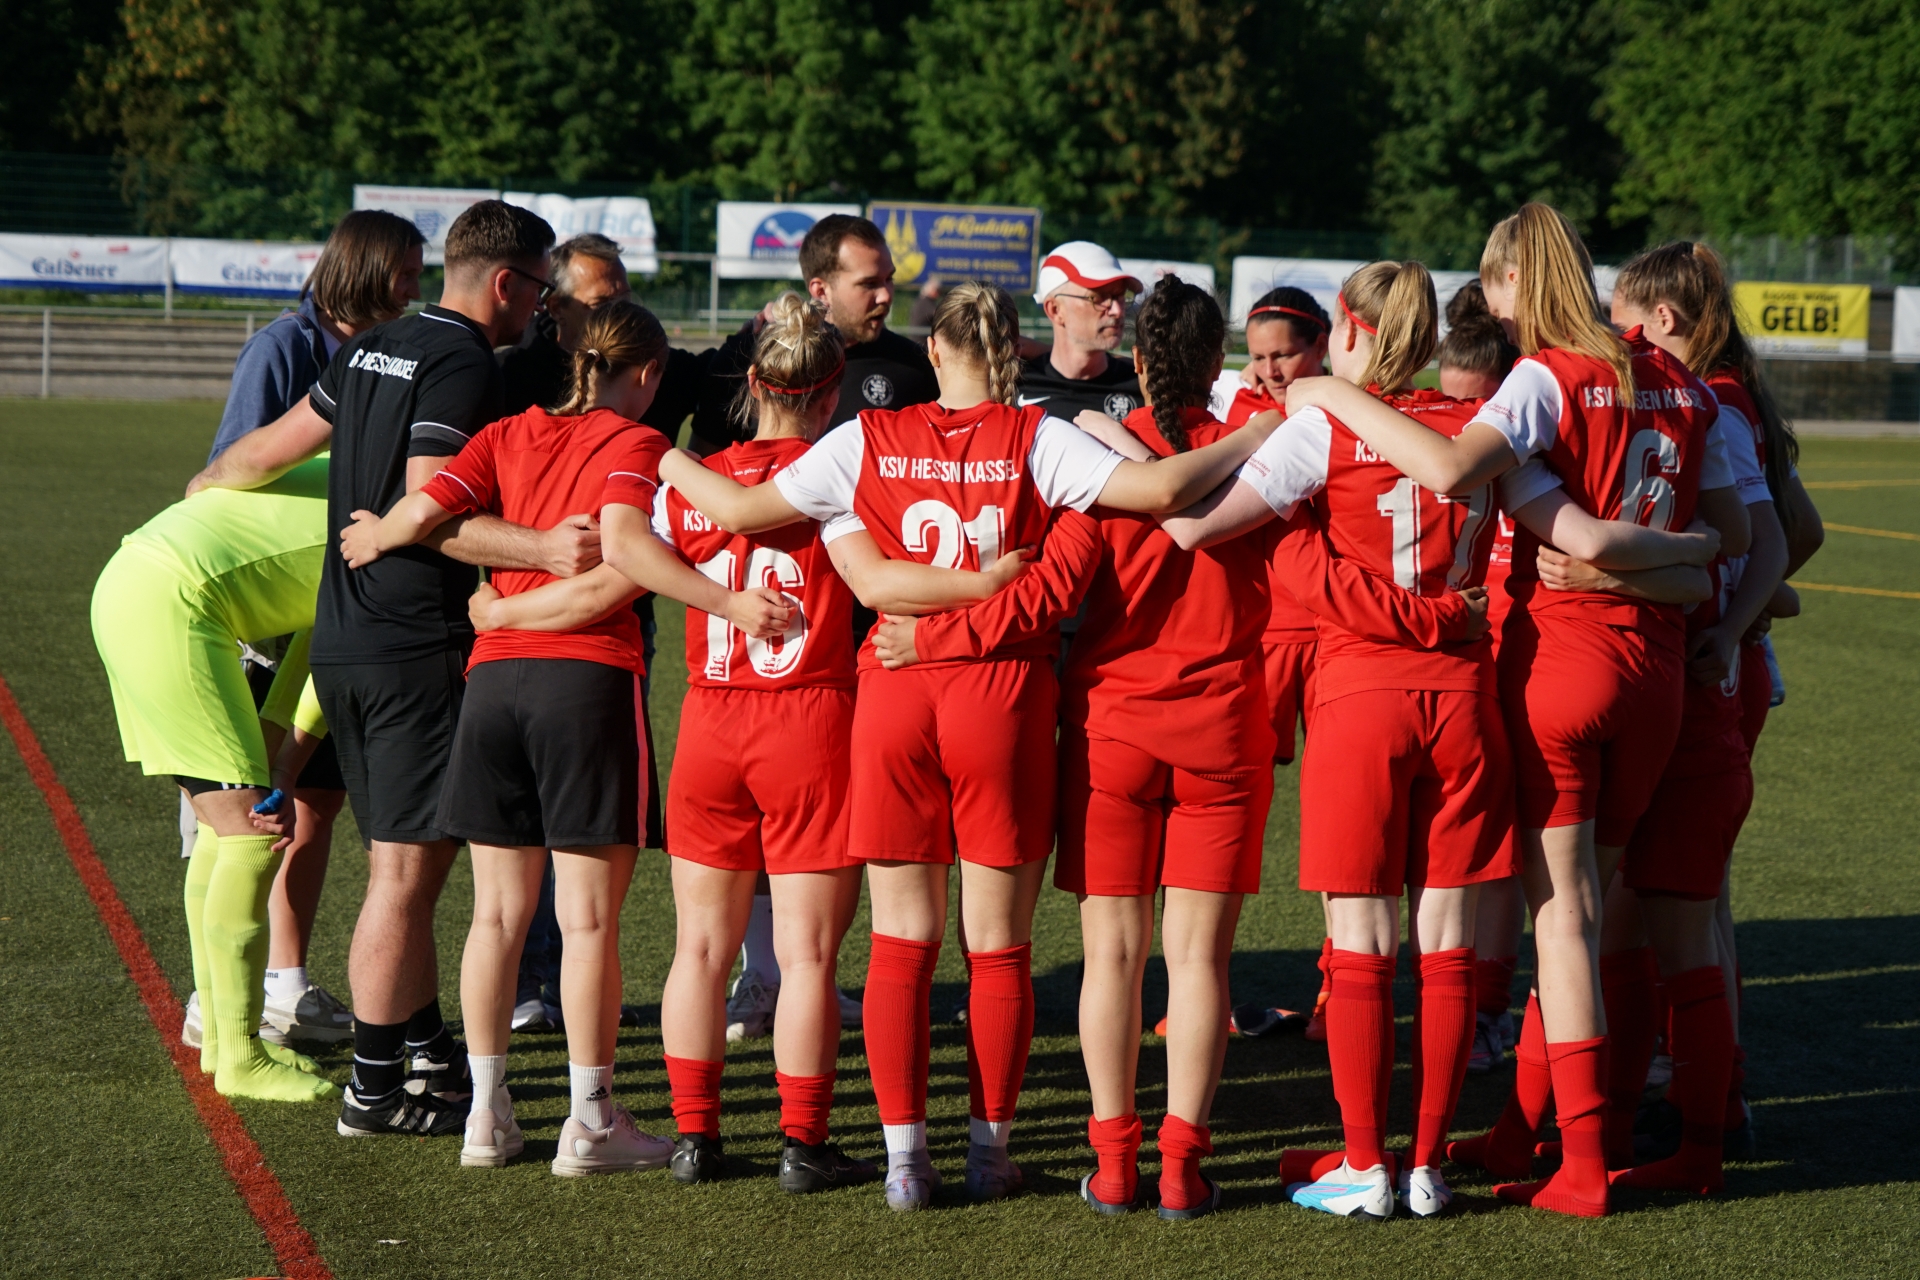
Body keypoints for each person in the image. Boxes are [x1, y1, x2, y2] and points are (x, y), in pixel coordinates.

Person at [655, 280, 1280, 1210]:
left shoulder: (864, 437)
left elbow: (749, 519)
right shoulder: (1039, 435)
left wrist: (661, 457)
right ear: (1011, 352)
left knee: (902, 943)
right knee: (998, 948)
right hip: (1003, 695)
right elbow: (1156, 493)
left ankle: (905, 1159)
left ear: (934, 353)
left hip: (896, 692)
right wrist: (1257, 432)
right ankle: (990, 1153)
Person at [1285, 204, 1749, 1218]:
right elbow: (1734, 535)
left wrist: (1327, 389)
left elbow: (1453, 468)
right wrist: (1676, 558)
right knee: (1610, 916)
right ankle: (1619, 1132)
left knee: (1565, 919)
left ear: (1511, 281)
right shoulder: (1677, 381)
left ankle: (1579, 1158)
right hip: (1660, 672)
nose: (1490, 311)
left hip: (1564, 662)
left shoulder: (1548, 374)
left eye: (1493, 290)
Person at [187, 199, 609, 1139]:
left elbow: (261, 453)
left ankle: (423, 1052)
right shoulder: (464, 362)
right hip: (414, 645)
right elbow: (429, 510)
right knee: (404, 877)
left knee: (397, 864)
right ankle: (375, 1091)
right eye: (542, 291)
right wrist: (546, 549)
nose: (543, 309)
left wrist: (201, 491)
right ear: (508, 283)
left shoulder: (370, 345)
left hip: (339, 644)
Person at [336, 299, 784, 1174]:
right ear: (648, 375)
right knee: (587, 923)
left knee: (495, 916)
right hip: (585, 684)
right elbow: (630, 547)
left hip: (492, 687)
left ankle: (485, 1115)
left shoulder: (506, 432)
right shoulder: (637, 442)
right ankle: (591, 1122)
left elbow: (422, 508)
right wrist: (728, 601)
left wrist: (378, 535)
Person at [1538, 242, 1789, 1197]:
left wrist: (1720, 617)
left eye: (1624, 320)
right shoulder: (1717, 395)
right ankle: (1699, 1111)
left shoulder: (1699, 398)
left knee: (1621, 919)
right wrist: (1742, 616)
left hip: (1679, 671)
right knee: (1684, 912)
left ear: (1664, 321)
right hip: (1699, 666)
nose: (1613, 335)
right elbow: (1777, 541)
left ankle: (1649, 1119)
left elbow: (1757, 540)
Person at [188, 209, 427, 1052]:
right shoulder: (281, 349)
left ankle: (283, 983)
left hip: (336, 609)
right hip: (270, 618)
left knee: (314, 802)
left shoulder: (390, 348)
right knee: (241, 811)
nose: (417, 287)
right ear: (364, 268)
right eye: (405, 272)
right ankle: (212, 995)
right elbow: (233, 473)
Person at [90, 458, 339, 1103]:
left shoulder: (358, 472)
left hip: (136, 584)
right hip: (173, 606)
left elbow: (316, 642)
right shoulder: (407, 524)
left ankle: (225, 1045)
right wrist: (285, 763)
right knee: (251, 836)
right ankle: (240, 1057)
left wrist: (278, 755)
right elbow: (338, 658)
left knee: (221, 828)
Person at [1436, 282, 1529, 1074]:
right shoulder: (1431, 455)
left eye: (1478, 404)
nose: (1463, 421)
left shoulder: (1530, 451)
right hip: (1453, 672)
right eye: (1451, 401)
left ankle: (1490, 1008)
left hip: (1526, 662)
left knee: (1506, 849)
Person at [1017, 241, 1144, 421]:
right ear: (1055, 310)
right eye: (1098, 298)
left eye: (1120, 297)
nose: (1117, 310)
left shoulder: (1144, 386)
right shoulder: (1013, 384)